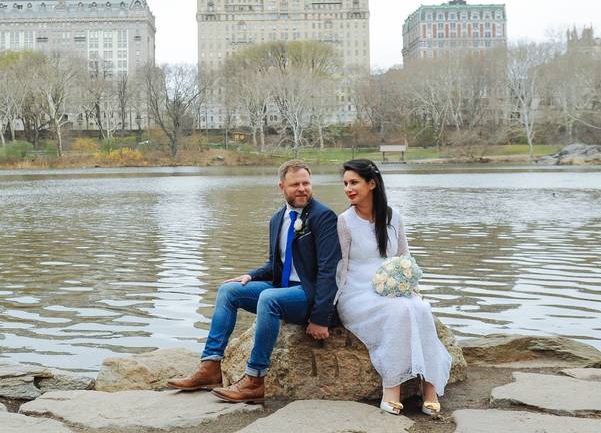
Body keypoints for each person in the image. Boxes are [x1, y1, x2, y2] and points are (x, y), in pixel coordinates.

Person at [168, 159, 341, 403]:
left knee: (269, 298)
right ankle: (210, 368)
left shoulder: (324, 217)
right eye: (295, 184)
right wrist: (251, 275)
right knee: (229, 290)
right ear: (282, 187)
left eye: (306, 183)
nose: (302, 188)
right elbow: (275, 265)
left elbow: (328, 270)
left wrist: (321, 317)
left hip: (307, 294)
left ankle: (254, 380)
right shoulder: (277, 219)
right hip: (282, 287)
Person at [335, 158, 452, 417]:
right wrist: (328, 305)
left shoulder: (393, 216)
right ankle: (392, 388)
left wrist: (411, 286)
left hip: (394, 288)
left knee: (421, 308)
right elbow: (340, 265)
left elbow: (403, 256)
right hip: (357, 291)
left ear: (372, 183)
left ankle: (429, 388)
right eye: (345, 183)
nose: (348, 188)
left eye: (354, 182)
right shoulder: (344, 221)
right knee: (398, 311)